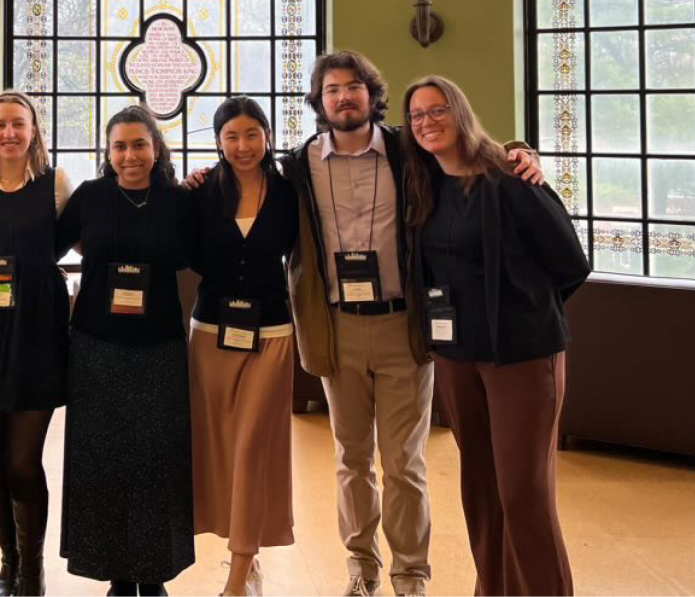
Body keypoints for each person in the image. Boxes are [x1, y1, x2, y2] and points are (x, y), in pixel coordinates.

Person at [276, 50, 541, 597]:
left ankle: (410, 574)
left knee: (404, 463)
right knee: (351, 459)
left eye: (353, 87)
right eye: (332, 89)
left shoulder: (408, 151)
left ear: (372, 95)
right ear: (318, 101)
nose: (343, 97)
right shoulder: (299, 165)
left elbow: (468, 151)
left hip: (404, 325)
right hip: (336, 328)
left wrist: (520, 153)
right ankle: (361, 567)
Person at [399, 75, 589, 596]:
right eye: (416, 115)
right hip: (457, 357)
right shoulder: (425, 184)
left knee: (523, 492)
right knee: (480, 487)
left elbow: (571, 263)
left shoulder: (509, 178)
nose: (426, 122)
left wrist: (522, 313)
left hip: (522, 357)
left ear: (459, 112)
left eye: (436, 110)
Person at [55, 104, 196, 597]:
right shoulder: (90, 197)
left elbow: (203, 250)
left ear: (156, 149)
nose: (130, 154)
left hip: (159, 346)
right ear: (107, 152)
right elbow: (47, 247)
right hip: (96, 346)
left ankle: (153, 573)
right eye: (119, 146)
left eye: (139, 144)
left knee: (157, 459)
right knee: (103, 460)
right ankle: (117, 574)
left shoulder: (179, 202)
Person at [0, 90, 74, 597]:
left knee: (24, 459)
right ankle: (8, 562)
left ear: (34, 129)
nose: (9, 133)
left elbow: (72, 241)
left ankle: (32, 569)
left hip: (38, 330)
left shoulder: (56, 182)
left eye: (18, 124)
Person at [184, 97, 298, 597]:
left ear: (267, 137)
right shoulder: (202, 191)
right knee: (219, 446)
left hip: (272, 332)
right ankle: (240, 551)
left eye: (252, 134)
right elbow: (183, 251)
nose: (243, 145)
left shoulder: (291, 192)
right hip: (210, 333)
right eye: (231, 136)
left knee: (253, 445)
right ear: (218, 142)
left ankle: (240, 567)